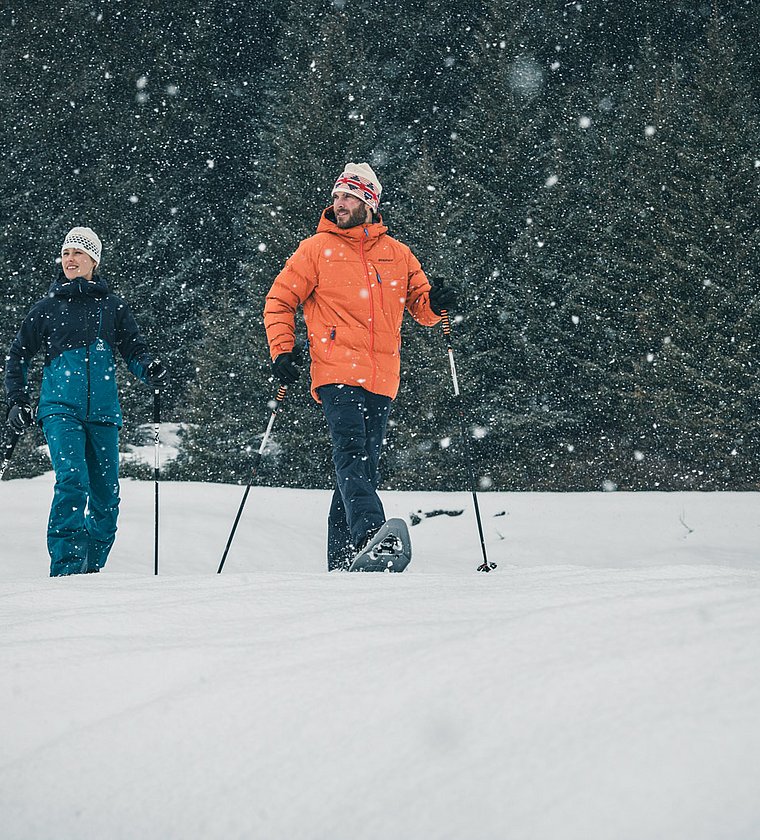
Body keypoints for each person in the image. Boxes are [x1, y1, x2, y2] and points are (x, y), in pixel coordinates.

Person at [264, 163, 456, 570]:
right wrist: (282, 351)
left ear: (369, 201)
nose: (339, 204)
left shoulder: (398, 254)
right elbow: (279, 300)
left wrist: (438, 303)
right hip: (335, 370)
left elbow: (422, 309)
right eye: (336, 197)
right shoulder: (315, 249)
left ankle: (344, 561)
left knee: (361, 465)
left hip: (383, 376)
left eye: (348, 196)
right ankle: (371, 534)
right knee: (351, 452)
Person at [4, 226, 167, 576]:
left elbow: (134, 350)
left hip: (104, 414)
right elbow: (18, 355)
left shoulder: (113, 307)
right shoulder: (47, 308)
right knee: (72, 481)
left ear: (93, 259)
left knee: (107, 500)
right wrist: (17, 399)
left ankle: (88, 574)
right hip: (60, 408)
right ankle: (65, 571)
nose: (70, 259)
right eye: (65, 253)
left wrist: (148, 368)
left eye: (77, 253)